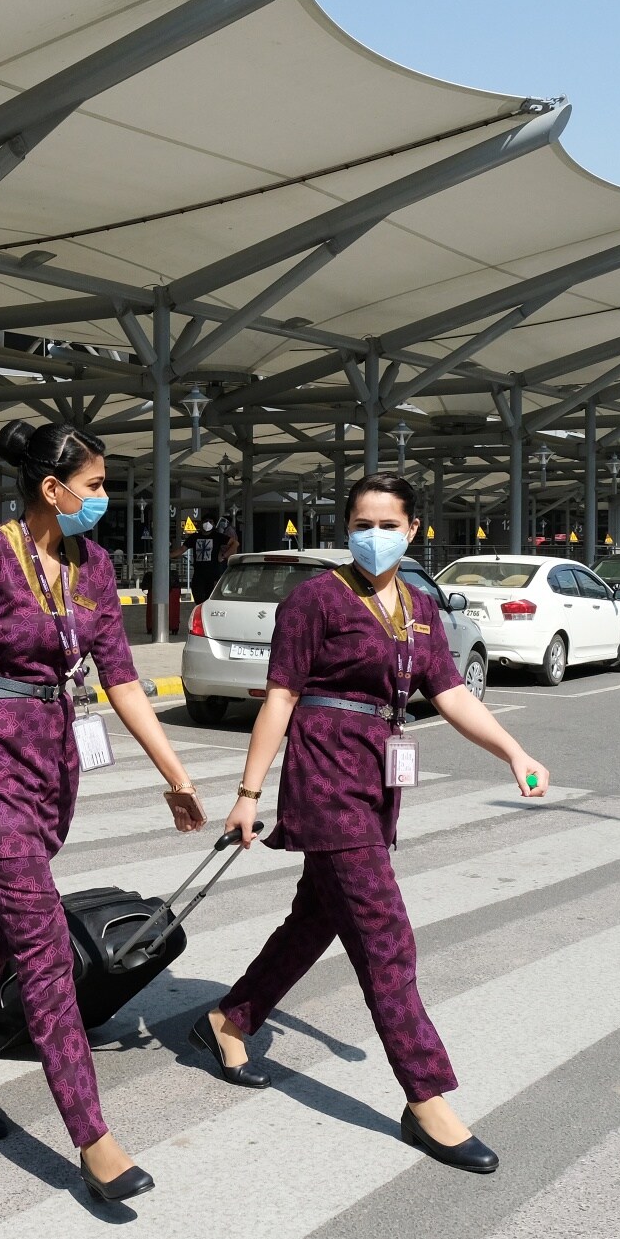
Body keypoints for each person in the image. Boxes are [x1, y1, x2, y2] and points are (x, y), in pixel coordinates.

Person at [0, 419, 209, 1205]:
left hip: (49, 762)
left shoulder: (94, 567)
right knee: (42, 949)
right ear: (52, 489)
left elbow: (123, 680)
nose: (105, 499)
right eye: (95, 486)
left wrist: (177, 773)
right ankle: (93, 1137)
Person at [193, 472, 549, 1175]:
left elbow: (448, 694)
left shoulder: (418, 607)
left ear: (413, 530)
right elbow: (279, 699)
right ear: (346, 527)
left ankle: (229, 1019)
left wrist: (515, 751)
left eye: (390, 524)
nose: (376, 536)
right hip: (324, 778)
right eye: (364, 522)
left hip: (375, 781)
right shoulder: (314, 599)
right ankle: (427, 1100)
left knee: (316, 919)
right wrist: (246, 792)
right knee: (386, 939)